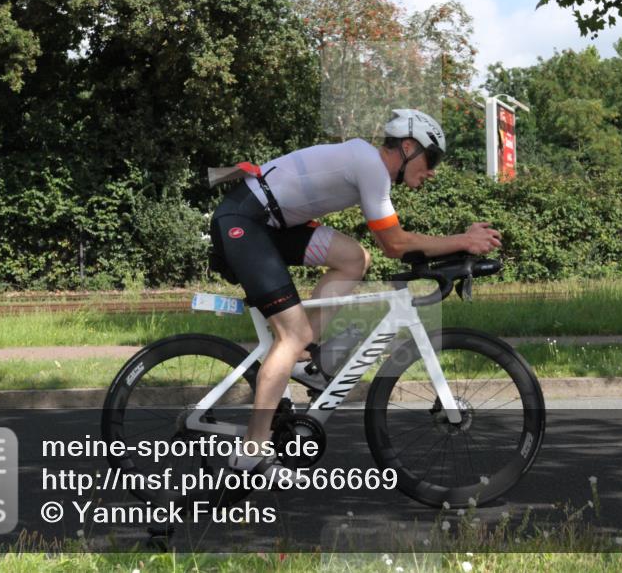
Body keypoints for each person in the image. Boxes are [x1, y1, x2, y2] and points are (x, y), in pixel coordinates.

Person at [208, 109, 502, 479]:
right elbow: (395, 244)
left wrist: (458, 245)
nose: (433, 170)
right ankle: (251, 452)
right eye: (432, 159)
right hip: (245, 222)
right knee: (291, 332)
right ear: (408, 147)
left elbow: (389, 246)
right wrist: (463, 240)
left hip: (269, 223)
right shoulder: (371, 166)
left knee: (353, 258)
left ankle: (302, 357)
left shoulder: (368, 165)